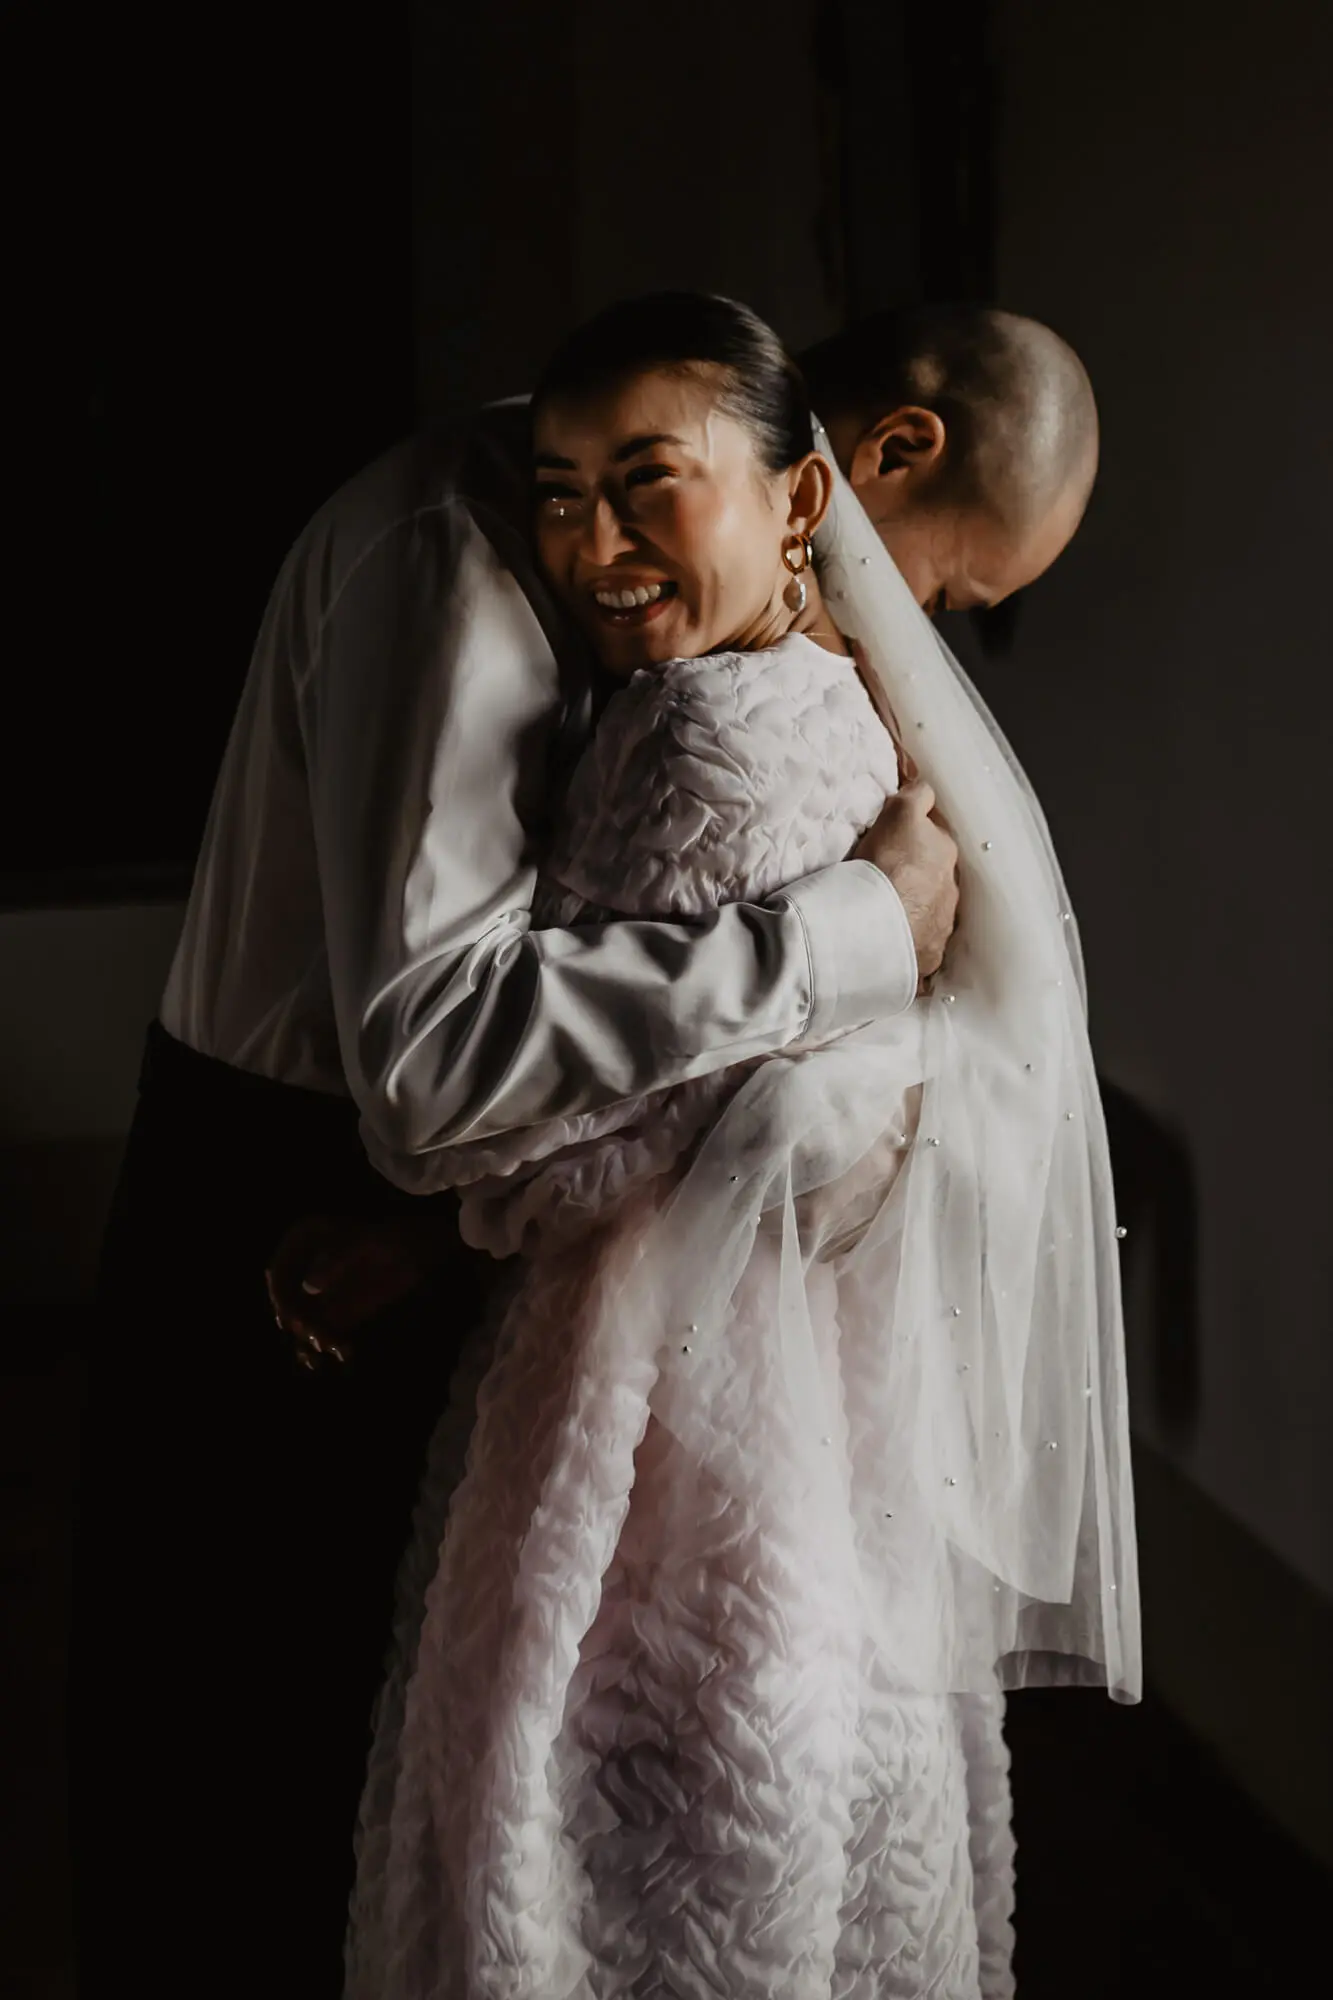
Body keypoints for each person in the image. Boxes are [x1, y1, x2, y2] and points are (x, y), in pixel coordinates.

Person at [68, 299, 1096, 1997]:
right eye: (950, 592)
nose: (916, 639)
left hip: (515, 1224)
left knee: (411, 1805)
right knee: (232, 1804)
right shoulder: (453, 552)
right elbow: (433, 1056)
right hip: (296, 1194)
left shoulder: (728, 652)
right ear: (872, 468)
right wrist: (853, 929)